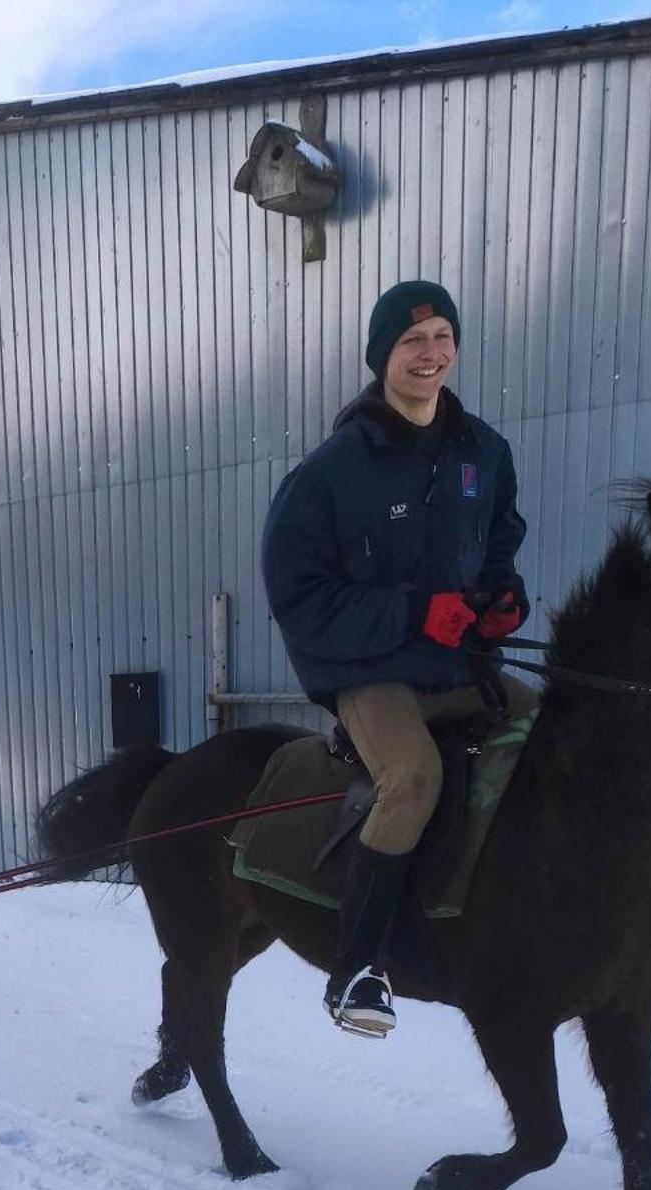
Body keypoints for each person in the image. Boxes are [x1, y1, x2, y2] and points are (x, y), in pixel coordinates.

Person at [260, 279, 529, 1035]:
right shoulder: (333, 470)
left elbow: (500, 537)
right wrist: (412, 612)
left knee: (560, 730)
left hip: (461, 661)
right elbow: (299, 596)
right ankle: (357, 969)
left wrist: (504, 596)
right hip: (371, 671)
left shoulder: (485, 451)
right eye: (414, 342)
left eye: (442, 337)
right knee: (413, 778)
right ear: (384, 355)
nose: (431, 354)